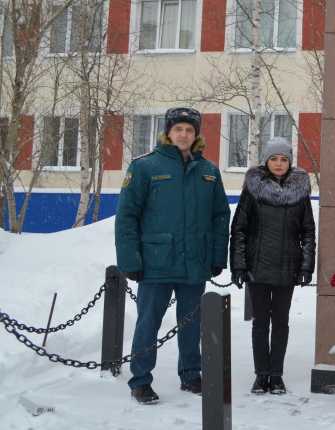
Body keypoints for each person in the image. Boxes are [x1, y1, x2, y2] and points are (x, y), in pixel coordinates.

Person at [115, 107, 231, 404]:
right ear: (168, 133)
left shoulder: (208, 170)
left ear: (196, 135)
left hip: (195, 262)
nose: (183, 134)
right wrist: (130, 260)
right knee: (148, 323)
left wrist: (217, 257)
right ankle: (140, 380)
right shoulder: (144, 166)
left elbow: (220, 216)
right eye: (178, 129)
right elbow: (127, 216)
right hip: (156, 261)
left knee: (192, 323)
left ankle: (191, 374)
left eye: (189, 130)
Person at [229, 136, 316, 396]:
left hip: (286, 267)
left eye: (284, 159)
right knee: (260, 323)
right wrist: (238, 266)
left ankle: (276, 375)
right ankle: (261, 375)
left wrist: (305, 267)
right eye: (274, 159)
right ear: (266, 161)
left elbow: (308, 232)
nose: (279, 163)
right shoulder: (253, 189)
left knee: (280, 323)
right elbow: (239, 230)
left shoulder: (300, 192)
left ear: (290, 162)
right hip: (258, 266)